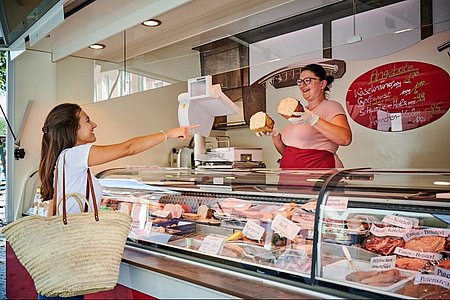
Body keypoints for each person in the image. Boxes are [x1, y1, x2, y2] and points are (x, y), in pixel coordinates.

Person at [38, 103, 196, 299]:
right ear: (72, 128)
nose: (94, 124)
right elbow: (128, 148)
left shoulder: (63, 158)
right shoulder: (74, 155)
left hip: (63, 254)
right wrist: (171, 133)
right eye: (87, 120)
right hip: (68, 255)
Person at [257, 63, 352, 168]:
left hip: (318, 174)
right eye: (300, 82)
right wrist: (275, 135)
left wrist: (313, 120)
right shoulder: (302, 112)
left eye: (307, 80)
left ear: (322, 84)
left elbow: (345, 138)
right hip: (291, 177)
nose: (302, 85)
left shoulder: (331, 106)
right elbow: (287, 153)